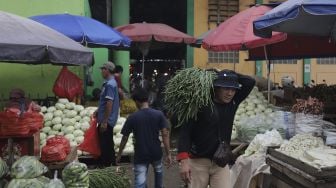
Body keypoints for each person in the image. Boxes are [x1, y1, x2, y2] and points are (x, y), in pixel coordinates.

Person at [177, 70, 255, 188]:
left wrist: (228, 74)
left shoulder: (233, 102)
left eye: (233, 89)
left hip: (220, 163)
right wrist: (184, 161)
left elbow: (250, 82)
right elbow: (185, 132)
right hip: (198, 162)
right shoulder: (200, 104)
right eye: (225, 88)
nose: (230, 93)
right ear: (216, 87)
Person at [116, 87, 172, 188]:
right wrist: (168, 154)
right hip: (156, 152)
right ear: (147, 99)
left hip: (141, 153)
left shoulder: (132, 117)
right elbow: (165, 134)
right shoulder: (158, 114)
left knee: (140, 183)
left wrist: (119, 154)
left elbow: (124, 138)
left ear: (137, 101)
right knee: (158, 173)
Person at [96, 61, 120, 166]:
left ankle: (105, 166)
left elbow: (109, 103)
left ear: (107, 70)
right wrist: (97, 111)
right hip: (107, 118)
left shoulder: (110, 84)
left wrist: (105, 121)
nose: (101, 71)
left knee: (105, 144)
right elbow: (105, 102)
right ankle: (112, 164)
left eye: (103, 69)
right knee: (109, 142)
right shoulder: (110, 83)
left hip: (107, 120)